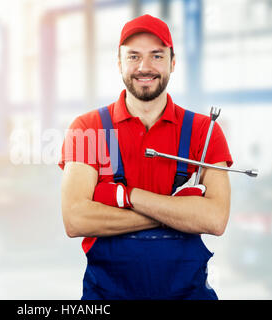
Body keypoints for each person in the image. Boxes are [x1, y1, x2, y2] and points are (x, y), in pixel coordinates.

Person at [58, 14, 232, 300]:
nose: (145, 67)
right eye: (134, 56)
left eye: (157, 56)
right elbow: (76, 219)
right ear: (119, 64)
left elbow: (214, 219)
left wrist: (128, 196)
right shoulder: (88, 128)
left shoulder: (205, 131)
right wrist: (178, 211)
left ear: (173, 63)